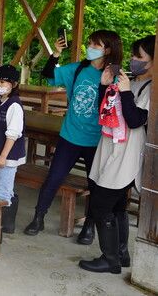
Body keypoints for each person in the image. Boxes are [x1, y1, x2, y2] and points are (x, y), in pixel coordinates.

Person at [24, 30, 124, 245]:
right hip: (70, 135)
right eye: (89, 43)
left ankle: (89, 227)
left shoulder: (115, 74)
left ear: (107, 49)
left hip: (98, 140)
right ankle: (38, 217)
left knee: (95, 185)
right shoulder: (78, 69)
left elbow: (111, 109)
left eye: (94, 44)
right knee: (54, 177)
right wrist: (56, 54)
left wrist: (105, 84)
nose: (89, 47)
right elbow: (48, 74)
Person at [79, 35, 154, 274]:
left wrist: (125, 92)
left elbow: (135, 120)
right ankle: (121, 254)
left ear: (153, 61)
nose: (133, 60)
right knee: (118, 205)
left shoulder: (152, 89)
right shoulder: (132, 81)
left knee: (101, 204)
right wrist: (104, 86)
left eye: (138, 56)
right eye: (133, 55)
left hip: (126, 152)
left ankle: (109, 258)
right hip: (111, 146)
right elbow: (107, 109)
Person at [0, 64, 25, 234]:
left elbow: (13, 134)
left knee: (1, 190)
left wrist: (3, 156)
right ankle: (7, 224)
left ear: (14, 85)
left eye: (3, 82)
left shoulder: (14, 106)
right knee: (3, 186)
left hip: (8, 155)